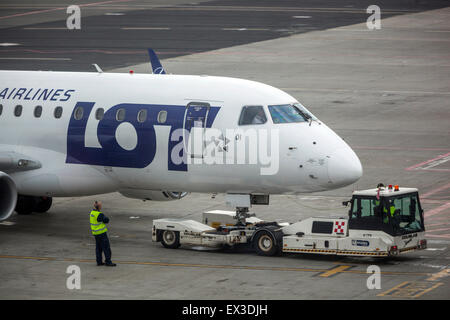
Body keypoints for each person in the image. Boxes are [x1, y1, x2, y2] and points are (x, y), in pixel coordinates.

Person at [90, 201, 116, 267]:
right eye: (100, 205)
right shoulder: (99, 214)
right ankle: (108, 261)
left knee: (98, 248)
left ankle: (99, 262)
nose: (101, 206)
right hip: (102, 233)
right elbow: (106, 220)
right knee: (106, 248)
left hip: (96, 233)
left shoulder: (92, 213)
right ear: (98, 207)